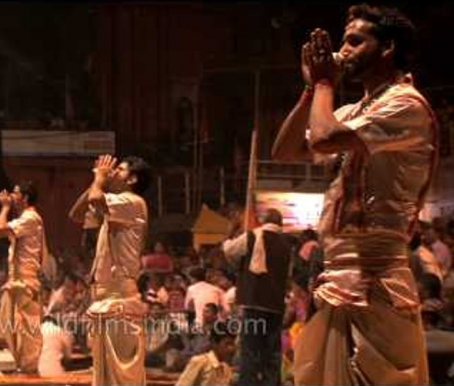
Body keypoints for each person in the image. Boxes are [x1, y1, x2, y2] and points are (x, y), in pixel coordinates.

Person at [272, 4, 437, 384]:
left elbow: (326, 138)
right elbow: (285, 150)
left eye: (354, 41)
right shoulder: (352, 110)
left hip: (377, 281)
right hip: (338, 278)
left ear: (388, 48)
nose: (342, 50)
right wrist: (312, 88)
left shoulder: (405, 104)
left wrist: (326, 85)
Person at [72, 154, 152, 386]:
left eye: (120, 169)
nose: (114, 171)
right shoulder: (113, 208)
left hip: (120, 299)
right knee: (105, 377)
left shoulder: (132, 202)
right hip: (106, 297)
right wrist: (98, 181)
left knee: (123, 377)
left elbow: (96, 199)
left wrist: (100, 179)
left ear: (133, 179)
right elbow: (76, 214)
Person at [221, 208, 291, 386]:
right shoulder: (286, 243)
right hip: (275, 305)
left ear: (263, 221)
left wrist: (231, 231)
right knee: (272, 353)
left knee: (250, 351)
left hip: (254, 303)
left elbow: (229, 251)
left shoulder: (253, 236)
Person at [0, 181, 52, 373]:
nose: (11, 194)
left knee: (28, 330)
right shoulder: (26, 218)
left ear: (25, 197)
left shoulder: (30, 218)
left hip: (25, 282)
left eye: (15, 193)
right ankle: (24, 369)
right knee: (13, 327)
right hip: (17, 281)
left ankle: (29, 372)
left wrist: (5, 207)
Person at [175, 320, 237, 386]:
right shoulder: (200, 362)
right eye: (227, 344)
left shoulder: (226, 370)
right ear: (214, 343)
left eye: (232, 344)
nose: (231, 349)